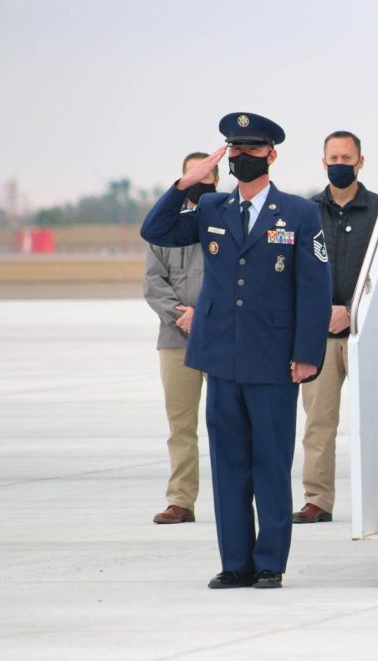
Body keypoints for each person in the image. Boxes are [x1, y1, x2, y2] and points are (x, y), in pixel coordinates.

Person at [140, 112, 332, 590]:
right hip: (221, 357)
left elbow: (314, 289)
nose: (243, 157)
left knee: (269, 463)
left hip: (273, 361)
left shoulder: (299, 213)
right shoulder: (211, 209)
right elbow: (156, 229)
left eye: (252, 149)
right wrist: (186, 183)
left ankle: (269, 562)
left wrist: (307, 353)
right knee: (228, 466)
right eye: (235, 149)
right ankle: (235, 563)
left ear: (272, 154)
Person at [293, 131, 378, 524]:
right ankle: (318, 500)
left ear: (361, 162)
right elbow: (296, 274)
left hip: (366, 333)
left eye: (347, 157)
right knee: (318, 423)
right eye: (334, 157)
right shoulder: (305, 212)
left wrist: (350, 310)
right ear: (323, 162)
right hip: (318, 336)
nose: (340, 163)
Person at [144, 152, 216, 524]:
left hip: (220, 338)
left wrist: (203, 315)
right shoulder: (164, 231)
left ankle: (233, 499)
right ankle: (181, 501)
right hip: (176, 340)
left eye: (207, 175)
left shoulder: (227, 220)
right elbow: (153, 284)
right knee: (181, 426)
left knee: (228, 423)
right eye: (193, 176)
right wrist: (181, 315)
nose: (201, 182)